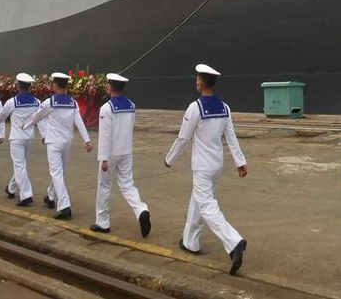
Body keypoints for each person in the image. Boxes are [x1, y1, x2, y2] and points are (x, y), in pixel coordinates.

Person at [164, 64, 248, 275]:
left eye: (197, 78)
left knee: (208, 206)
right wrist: (240, 161)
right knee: (198, 202)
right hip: (216, 165)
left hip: (202, 166)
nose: (196, 81)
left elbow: (183, 137)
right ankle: (191, 242)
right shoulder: (225, 107)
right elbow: (231, 136)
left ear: (201, 82)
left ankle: (233, 241)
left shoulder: (195, 108)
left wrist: (170, 159)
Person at [23, 72, 92, 220]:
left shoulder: (50, 102)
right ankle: (50, 196)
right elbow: (79, 122)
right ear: (66, 86)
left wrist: (26, 124)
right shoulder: (73, 103)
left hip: (54, 143)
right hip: (67, 142)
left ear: (55, 85)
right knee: (61, 172)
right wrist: (87, 140)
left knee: (57, 173)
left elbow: (38, 116)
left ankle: (64, 207)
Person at [92, 73, 151, 237]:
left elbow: (105, 135)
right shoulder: (131, 105)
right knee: (127, 185)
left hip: (110, 153)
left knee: (104, 186)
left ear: (110, 87)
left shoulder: (106, 108)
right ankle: (141, 210)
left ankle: (102, 222)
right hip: (126, 151)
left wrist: (103, 158)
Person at [0, 72, 42, 207]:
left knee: (19, 166)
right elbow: (40, 119)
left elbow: (1, 116)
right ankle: (11, 188)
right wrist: (44, 135)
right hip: (29, 137)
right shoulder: (37, 101)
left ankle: (26, 195)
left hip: (17, 138)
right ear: (29, 86)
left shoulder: (12, 102)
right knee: (21, 165)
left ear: (18, 86)